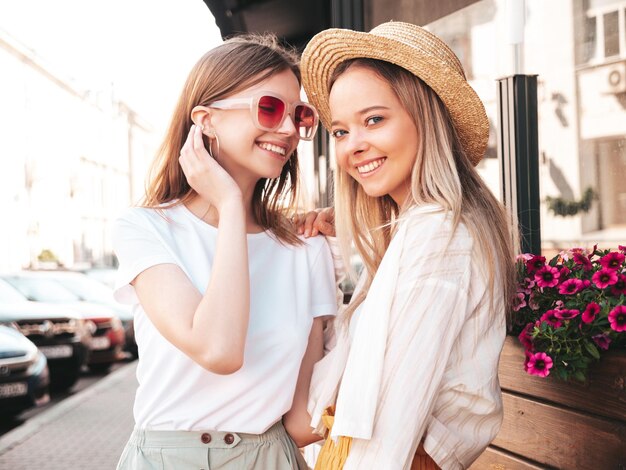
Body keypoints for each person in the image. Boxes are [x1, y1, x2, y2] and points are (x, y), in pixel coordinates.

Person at [293, 21, 518, 469]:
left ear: (426, 119)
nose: (354, 146)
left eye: (374, 119)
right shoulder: (412, 232)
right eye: (340, 131)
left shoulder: (437, 234)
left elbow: (391, 421)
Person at [112, 34, 338, 470]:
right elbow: (218, 350)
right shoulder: (146, 229)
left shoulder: (306, 249)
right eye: (269, 108)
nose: (289, 129)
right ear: (206, 120)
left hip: (271, 458)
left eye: (299, 115)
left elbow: (300, 419)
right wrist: (231, 205)